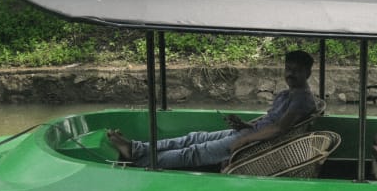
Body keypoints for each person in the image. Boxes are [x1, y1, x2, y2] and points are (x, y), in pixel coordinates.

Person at [107, 50, 317, 169]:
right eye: (288, 69)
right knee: (193, 138)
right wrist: (244, 125)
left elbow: (279, 129)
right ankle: (136, 148)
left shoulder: (302, 100)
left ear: (308, 72)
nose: (290, 74)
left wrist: (244, 139)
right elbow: (270, 121)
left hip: (255, 143)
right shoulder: (291, 93)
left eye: (296, 71)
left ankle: (138, 161)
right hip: (250, 133)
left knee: (193, 152)